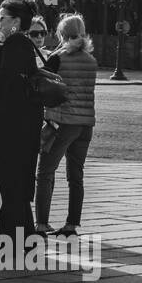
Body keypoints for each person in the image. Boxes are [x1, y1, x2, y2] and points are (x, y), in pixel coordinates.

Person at [0, 0, 45, 250]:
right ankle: (24, 238)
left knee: (10, 182)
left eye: (2, 18)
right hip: (25, 125)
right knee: (19, 185)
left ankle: (12, 240)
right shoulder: (24, 45)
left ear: (15, 21)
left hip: (11, 126)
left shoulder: (13, 47)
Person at [34, 13, 97, 236]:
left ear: (62, 34)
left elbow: (40, 84)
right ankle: (72, 223)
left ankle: (41, 223)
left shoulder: (58, 57)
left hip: (62, 122)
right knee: (75, 175)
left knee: (45, 171)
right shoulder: (91, 60)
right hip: (85, 123)